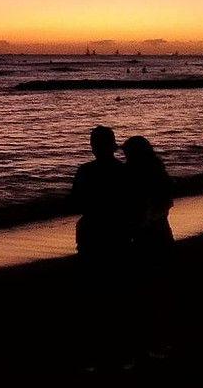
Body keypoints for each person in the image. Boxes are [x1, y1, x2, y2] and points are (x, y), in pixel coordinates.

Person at [67, 126, 137, 370]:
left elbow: (75, 202)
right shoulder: (125, 172)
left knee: (92, 297)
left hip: (92, 235)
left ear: (94, 146)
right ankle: (123, 354)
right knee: (118, 296)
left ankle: (94, 355)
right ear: (113, 145)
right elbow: (132, 204)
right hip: (119, 235)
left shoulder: (85, 171)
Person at [122, 135, 176, 359]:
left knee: (144, 287)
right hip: (160, 231)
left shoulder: (133, 173)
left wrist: (143, 221)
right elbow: (168, 201)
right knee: (158, 286)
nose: (125, 158)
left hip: (145, 234)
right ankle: (159, 340)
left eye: (127, 154)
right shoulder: (157, 171)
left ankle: (149, 341)